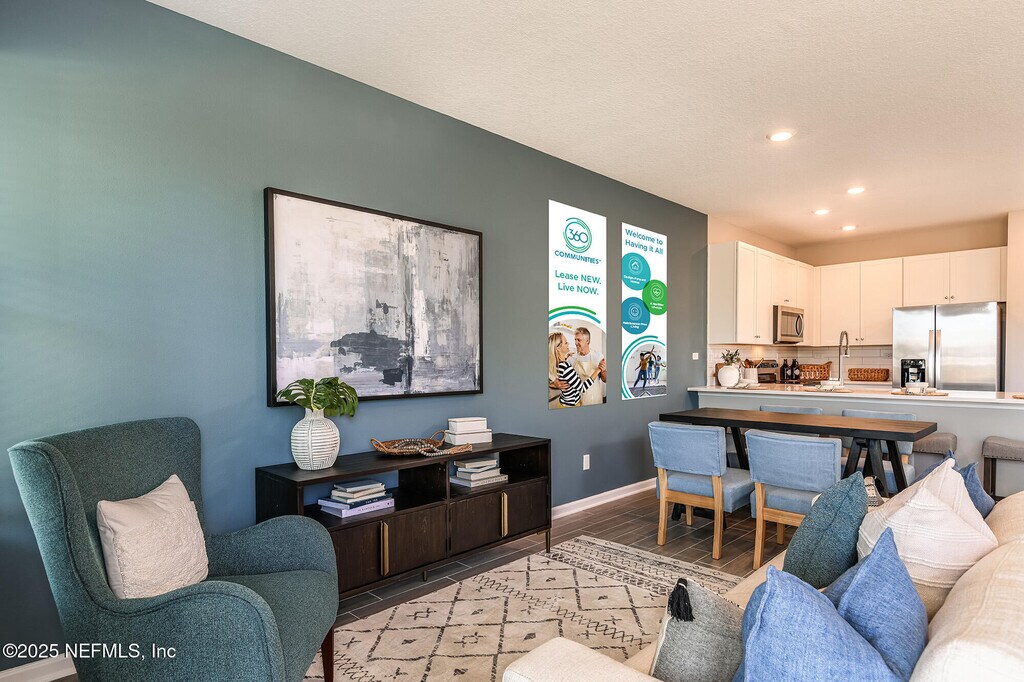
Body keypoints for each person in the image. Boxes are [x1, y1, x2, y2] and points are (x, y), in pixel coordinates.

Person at [548, 332, 605, 407]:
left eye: (579, 340)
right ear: (558, 348)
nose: (573, 343)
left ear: (587, 341)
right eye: (566, 343)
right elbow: (582, 388)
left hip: (569, 401)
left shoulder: (560, 364)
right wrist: (598, 370)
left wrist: (565, 357)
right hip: (571, 405)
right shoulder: (566, 367)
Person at [573, 326, 606, 405]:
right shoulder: (572, 357)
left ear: (587, 341)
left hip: (595, 398)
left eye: (579, 340)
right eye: (575, 339)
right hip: (578, 399)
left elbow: (605, 380)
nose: (576, 343)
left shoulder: (598, 356)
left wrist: (603, 371)